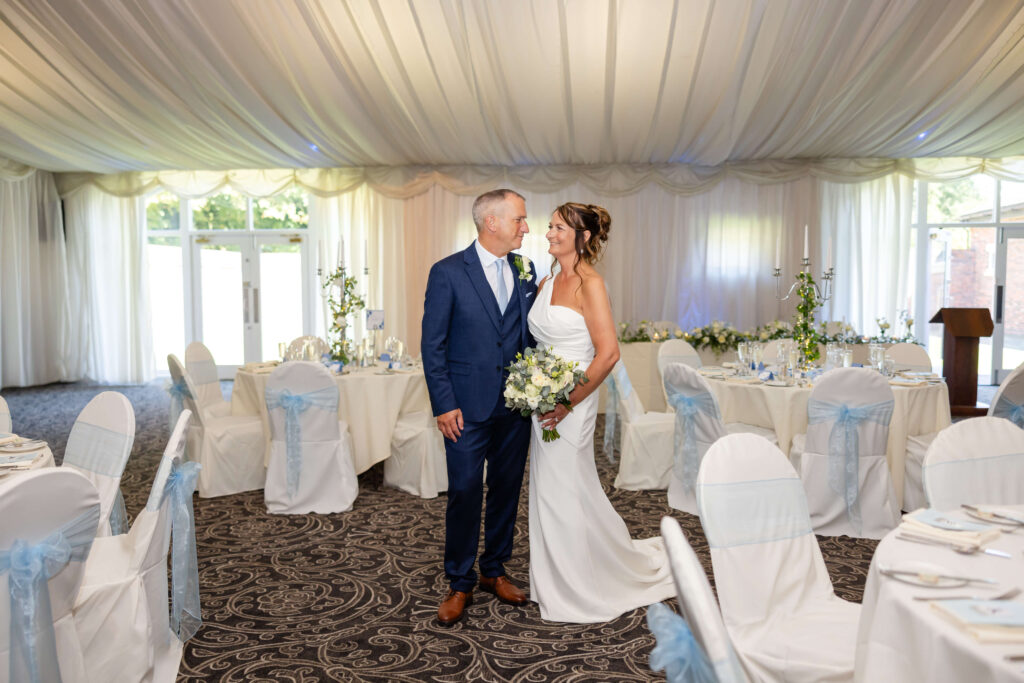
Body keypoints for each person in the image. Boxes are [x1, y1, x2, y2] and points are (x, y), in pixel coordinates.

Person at [528, 202, 674, 623]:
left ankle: (578, 586)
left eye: (559, 227)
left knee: (565, 487)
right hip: (543, 400)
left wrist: (566, 401)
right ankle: (555, 578)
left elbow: (608, 354)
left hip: (573, 400)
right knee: (550, 489)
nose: (550, 233)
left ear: (583, 236)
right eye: (550, 226)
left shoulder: (590, 284)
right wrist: (533, 386)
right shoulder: (547, 281)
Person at [421, 189, 538, 626]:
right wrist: (444, 403)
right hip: (465, 409)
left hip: (515, 409)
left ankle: (494, 570)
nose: (526, 227)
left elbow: (529, 335)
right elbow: (432, 345)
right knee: (466, 491)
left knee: (507, 490)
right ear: (492, 222)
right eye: (520, 220)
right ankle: (459, 581)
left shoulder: (525, 270)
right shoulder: (448, 272)